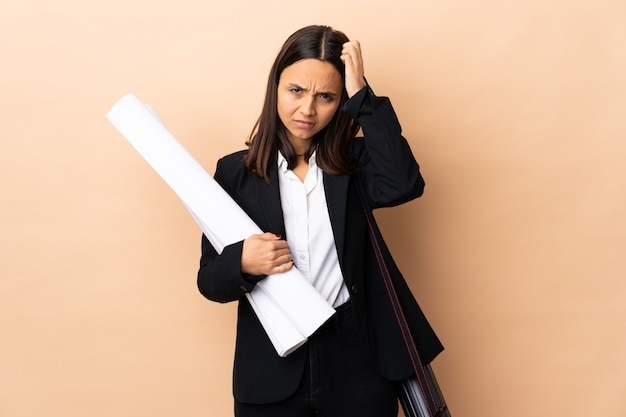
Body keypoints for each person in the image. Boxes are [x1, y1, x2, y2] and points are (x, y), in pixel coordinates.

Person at [197, 25, 443, 417]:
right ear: (275, 86)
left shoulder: (354, 163)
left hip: (359, 360)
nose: (307, 110)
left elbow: (404, 184)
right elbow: (210, 281)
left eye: (326, 96)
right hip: (271, 366)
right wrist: (241, 262)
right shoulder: (234, 173)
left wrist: (362, 92)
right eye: (296, 91)